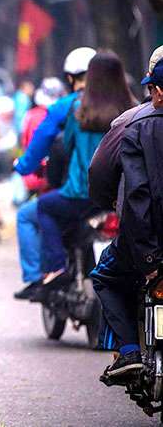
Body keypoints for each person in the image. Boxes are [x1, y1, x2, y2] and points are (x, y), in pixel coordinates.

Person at [36, 52, 134, 289]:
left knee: (43, 206)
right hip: (125, 197)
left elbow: (63, 147)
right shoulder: (134, 109)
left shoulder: (78, 110)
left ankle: (57, 266)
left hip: (81, 195)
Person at [91, 61, 163, 380]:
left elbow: (138, 196)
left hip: (147, 240)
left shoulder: (135, 125)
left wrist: (148, 258)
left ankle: (130, 351)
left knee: (105, 276)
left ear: (157, 91)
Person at [13, 47, 96, 298]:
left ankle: (49, 271)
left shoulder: (68, 107)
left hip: (80, 193)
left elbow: (44, 145)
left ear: (70, 78)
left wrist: (23, 166)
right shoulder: (125, 103)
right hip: (119, 193)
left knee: (34, 212)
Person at [88, 45, 163, 212]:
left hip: (142, 229)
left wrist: (115, 204)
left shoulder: (132, 121)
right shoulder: (134, 114)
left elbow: (98, 172)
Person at [12, 77, 67, 299]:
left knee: (29, 214)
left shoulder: (51, 114)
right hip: (105, 194)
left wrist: (23, 167)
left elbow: (32, 152)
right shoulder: (122, 108)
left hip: (68, 191)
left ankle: (39, 275)